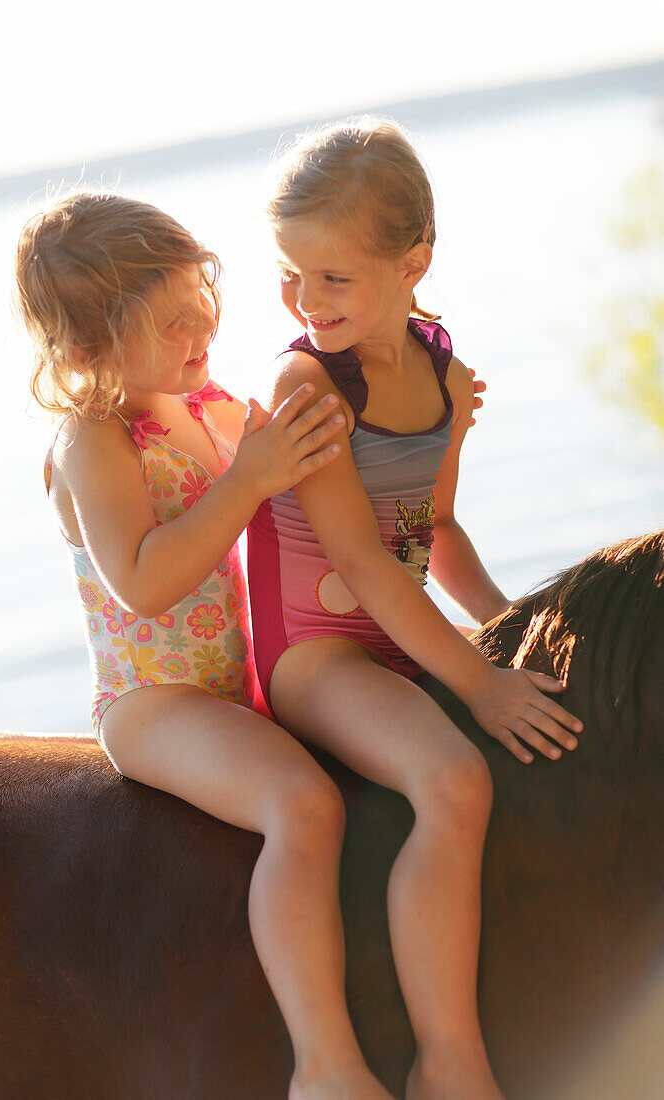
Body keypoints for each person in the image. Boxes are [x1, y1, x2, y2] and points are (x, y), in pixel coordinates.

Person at [14, 190, 400, 1099]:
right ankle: (325, 1066)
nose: (203, 330)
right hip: (154, 699)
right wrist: (250, 479)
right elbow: (143, 582)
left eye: (203, 301)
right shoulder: (94, 441)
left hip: (247, 678)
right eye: (173, 320)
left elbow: (313, 505)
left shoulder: (219, 406)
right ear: (83, 349)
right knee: (302, 806)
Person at [248, 119, 584, 1100]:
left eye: (332, 278)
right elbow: (361, 557)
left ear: (414, 263)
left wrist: (512, 621)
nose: (305, 301)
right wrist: (477, 682)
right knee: (453, 777)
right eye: (290, 274)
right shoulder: (307, 380)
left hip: (393, 641)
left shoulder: (438, 370)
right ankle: (450, 1058)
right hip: (316, 658)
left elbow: (432, 528)